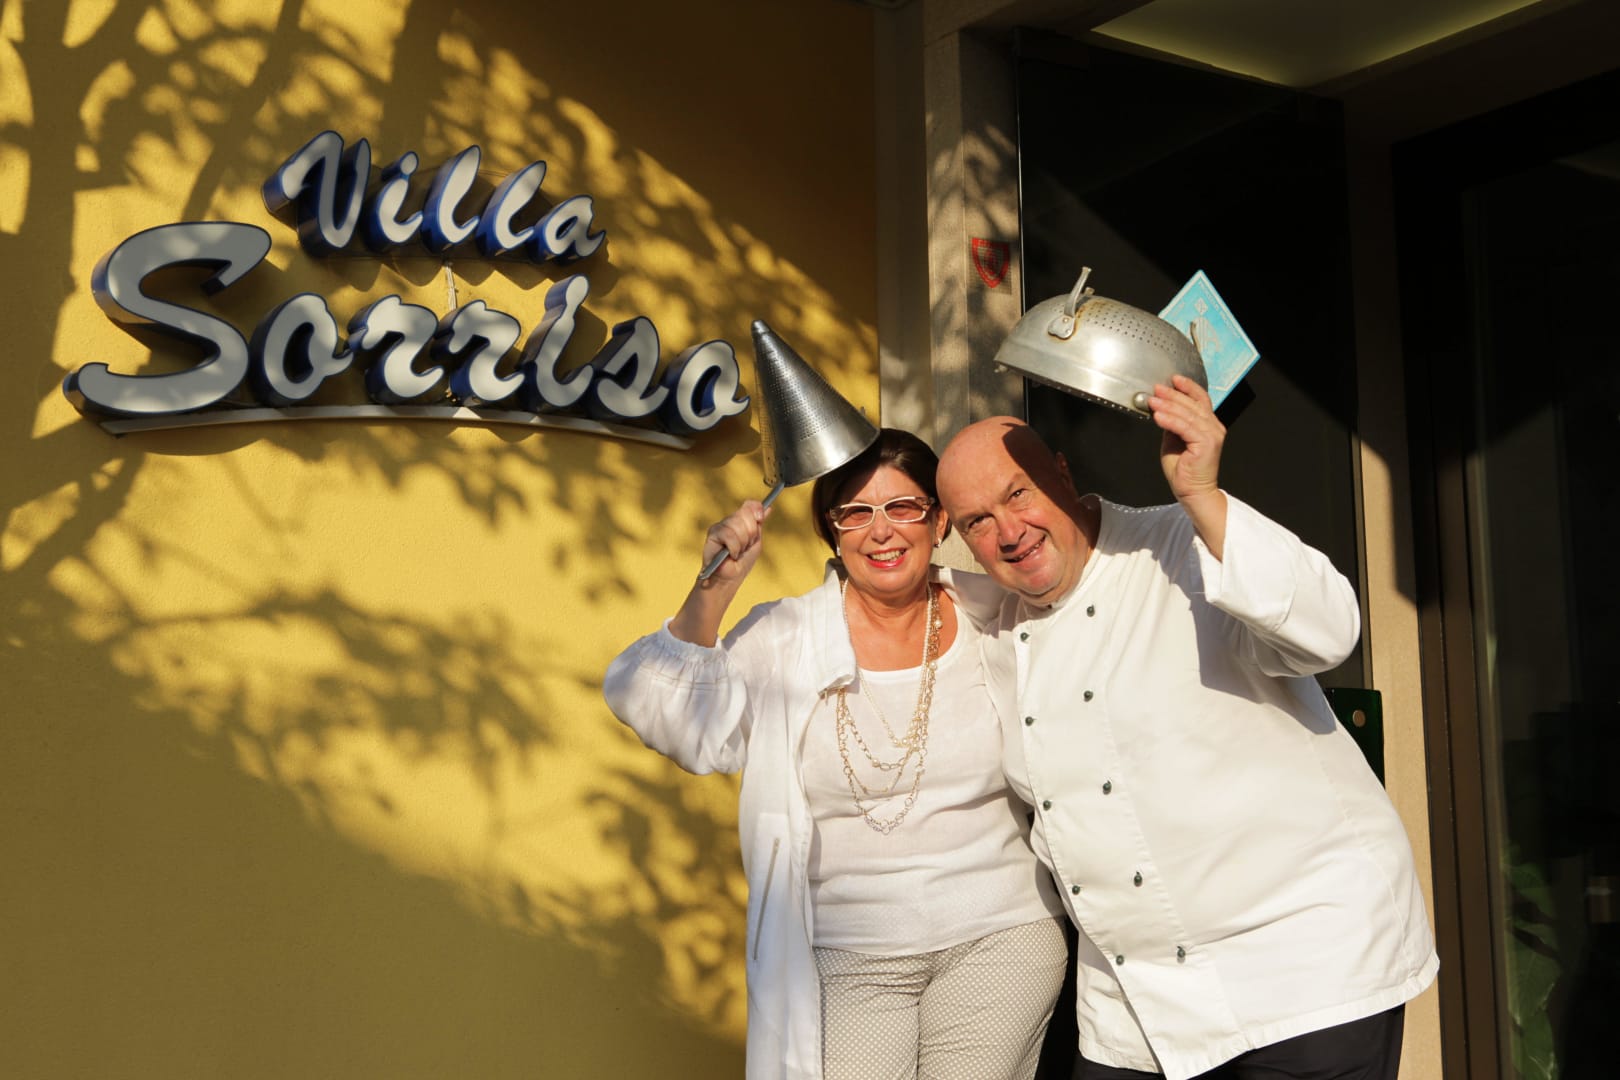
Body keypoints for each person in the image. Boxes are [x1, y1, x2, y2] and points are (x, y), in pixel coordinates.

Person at [934, 376, 1438, 1080]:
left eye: (1019, 494)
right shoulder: (997, 626)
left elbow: (1329, 631)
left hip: (1304, 974)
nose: (1009, 532)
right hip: (1134, 1008)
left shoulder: (1182, 544)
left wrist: (1203, 495)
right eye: (977, 523)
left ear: (1063, 475)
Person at [603, 428, 1068, 1080]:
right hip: (848, 954)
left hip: (1002, 934)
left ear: (937, 521)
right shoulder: (785, 636)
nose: (881, 531)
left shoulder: (994, 612)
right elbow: (669, 717)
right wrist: (714, 587)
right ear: (832, 530)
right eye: (856, 513)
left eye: (903, 507)